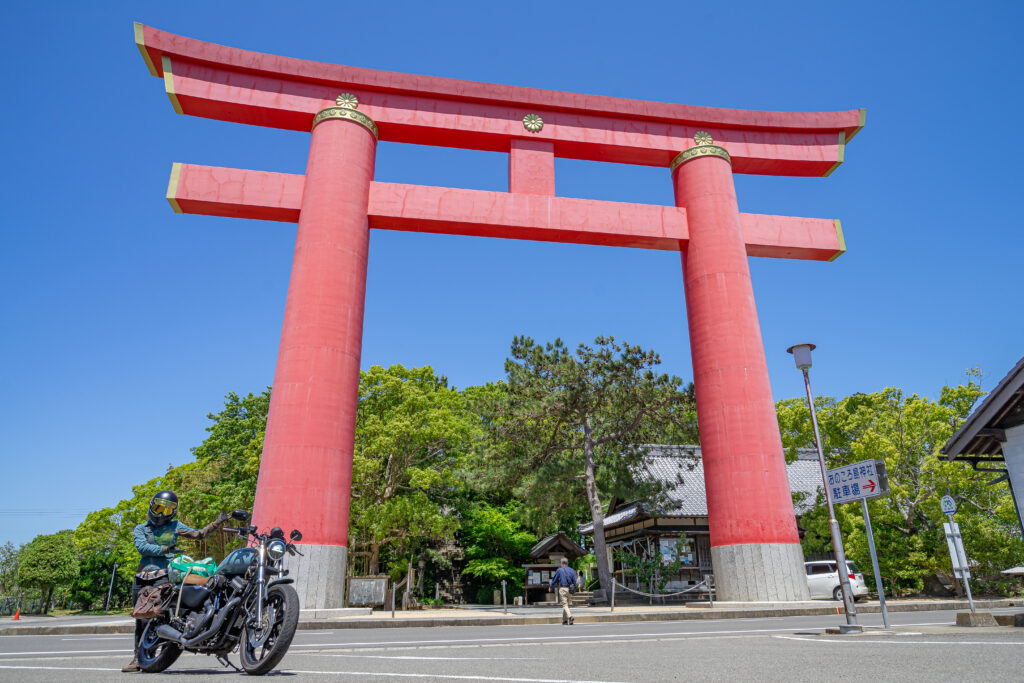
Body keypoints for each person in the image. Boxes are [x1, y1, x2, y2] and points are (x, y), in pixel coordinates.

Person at [122, 490, 227, 673]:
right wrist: (165, 549)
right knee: (141, 619)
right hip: (141, 578)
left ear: (174, 512)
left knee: (163, 615)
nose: (162, 513)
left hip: (163, 576)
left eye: (167, 509)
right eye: (159, 507)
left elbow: (198, 534)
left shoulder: (176, 525)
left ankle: (160, 655)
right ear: (152, 506)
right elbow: (142, 547)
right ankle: (137, 658)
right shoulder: (141, 528)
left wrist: (216, 523)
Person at [549, 557, 577, 626]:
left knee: (564, 604)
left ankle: (570, 617)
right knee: (567, 605)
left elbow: (555, 579)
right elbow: (574, 581)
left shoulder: (559, 570)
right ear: (567, 563)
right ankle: (565, 621)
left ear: (561, 563)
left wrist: (551, 586)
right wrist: (574, 588)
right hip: (570, 589)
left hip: (563, 589)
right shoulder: (571, 570)